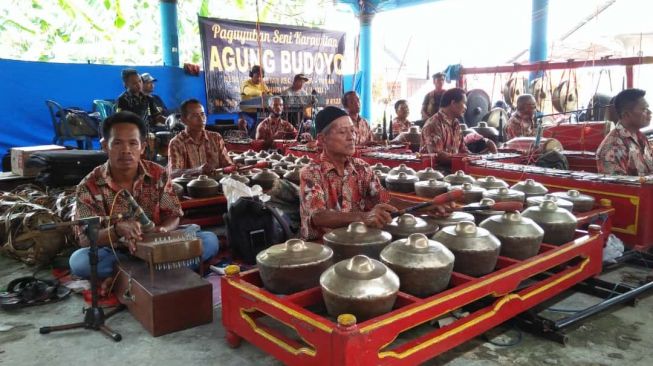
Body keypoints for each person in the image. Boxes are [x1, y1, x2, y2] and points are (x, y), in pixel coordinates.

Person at [69, 111, 219, 292]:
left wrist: (163, 230)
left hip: (158, 245)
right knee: (80, 261)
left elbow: (173, 215)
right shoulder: (88, 185)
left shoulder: (158, 173)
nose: (126, 150)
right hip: (116, 252)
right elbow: (85, 239)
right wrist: (116, 231)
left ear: (143, 147)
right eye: (117, 143)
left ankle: (127, 276)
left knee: (209, 240)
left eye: (133, 143)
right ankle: (160, 270)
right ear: (104, 146)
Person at [299, 106, 451, 240]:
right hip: (321, 248)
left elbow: (385, 200)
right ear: (322, 139)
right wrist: (363, 217)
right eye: (342, 132)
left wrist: (426, 206)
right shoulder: (311, 173)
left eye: (352, 131)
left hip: (358, 241)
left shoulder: (361, 168)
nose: (351, 137)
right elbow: (318, 216)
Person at [167, 99, 232, 178]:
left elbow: (228, 165)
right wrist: (197, 170)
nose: (201, 119)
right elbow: (173, 173)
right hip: (189, 189)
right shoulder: (176, 143)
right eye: (195, 116)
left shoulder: (216, 138)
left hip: (216, 186)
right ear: (183, 120)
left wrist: (234, 167)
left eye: (202, 114)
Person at [597, 88, 653, 176]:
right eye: (644, 109)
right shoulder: (612, 147)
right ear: (626, 114)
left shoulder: (641, 138)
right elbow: (618, 187)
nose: (650, 112)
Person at [420, 88, 469, 163]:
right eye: (464, 103)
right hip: (435, 172)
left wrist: (475, 158)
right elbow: (437, 155)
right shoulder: (433, 124)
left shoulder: (456, 123)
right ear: (453, 103)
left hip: (454, 171)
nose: (466, 108)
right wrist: (461, 160)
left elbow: (463, 150)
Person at [241, 65, 271, 135]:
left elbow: (270, 95)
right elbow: (248, 92)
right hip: (247, 113)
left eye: (261, 77)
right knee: (244, 124)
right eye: (257, 76)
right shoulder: (246, 84)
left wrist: (269, 96)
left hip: (259, 112)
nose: (259, 79)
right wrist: (261, 93)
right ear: (251, 75)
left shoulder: (263, 85)